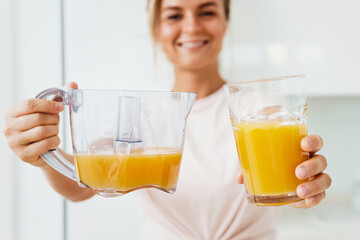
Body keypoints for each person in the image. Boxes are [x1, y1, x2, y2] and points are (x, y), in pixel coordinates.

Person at [3, 0, 331, 239]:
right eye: (175, 15)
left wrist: (304, 187)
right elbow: (84, 185)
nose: (191, 27)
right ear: (157, 29)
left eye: (207, 11)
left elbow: (291, 183)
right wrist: (45, 153)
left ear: (225, 23)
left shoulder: (259, 109)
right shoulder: (137, 114)